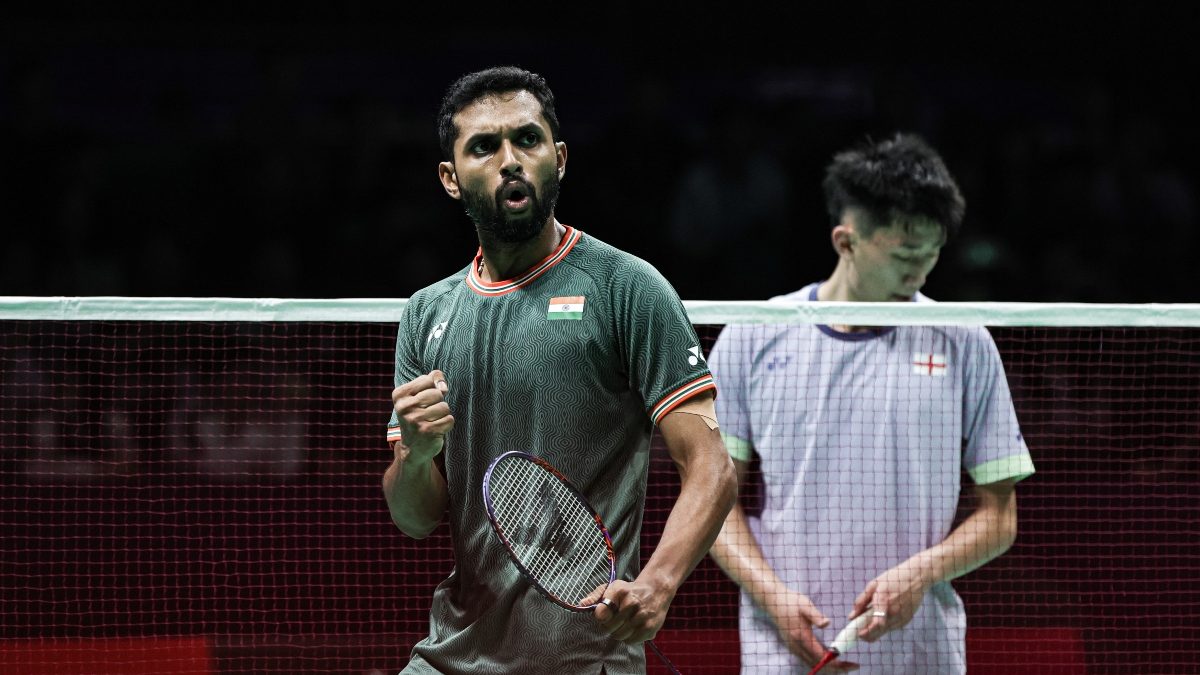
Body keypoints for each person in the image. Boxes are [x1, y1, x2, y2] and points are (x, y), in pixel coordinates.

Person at [382, 66, 737, 675]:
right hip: (452, 655)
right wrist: (413, 455)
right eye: (484, 147)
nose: (510, 160)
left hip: (585, 658)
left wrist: (658, 583)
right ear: (450, 177)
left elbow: (712, 467)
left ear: (560, 157)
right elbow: (415, 520)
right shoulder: (427, 313)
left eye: (528, 139)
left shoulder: (627, 288)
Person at [707, 133, 1035, 673]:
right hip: (783, 645)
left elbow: (999, 518)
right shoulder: (755, 333)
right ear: (846, 241)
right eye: (905, 255)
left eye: (932, 255)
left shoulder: (962, 339)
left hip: (918, 653)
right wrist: (772, 598)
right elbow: (715, 504)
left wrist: (923, 573)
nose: (921, 274)